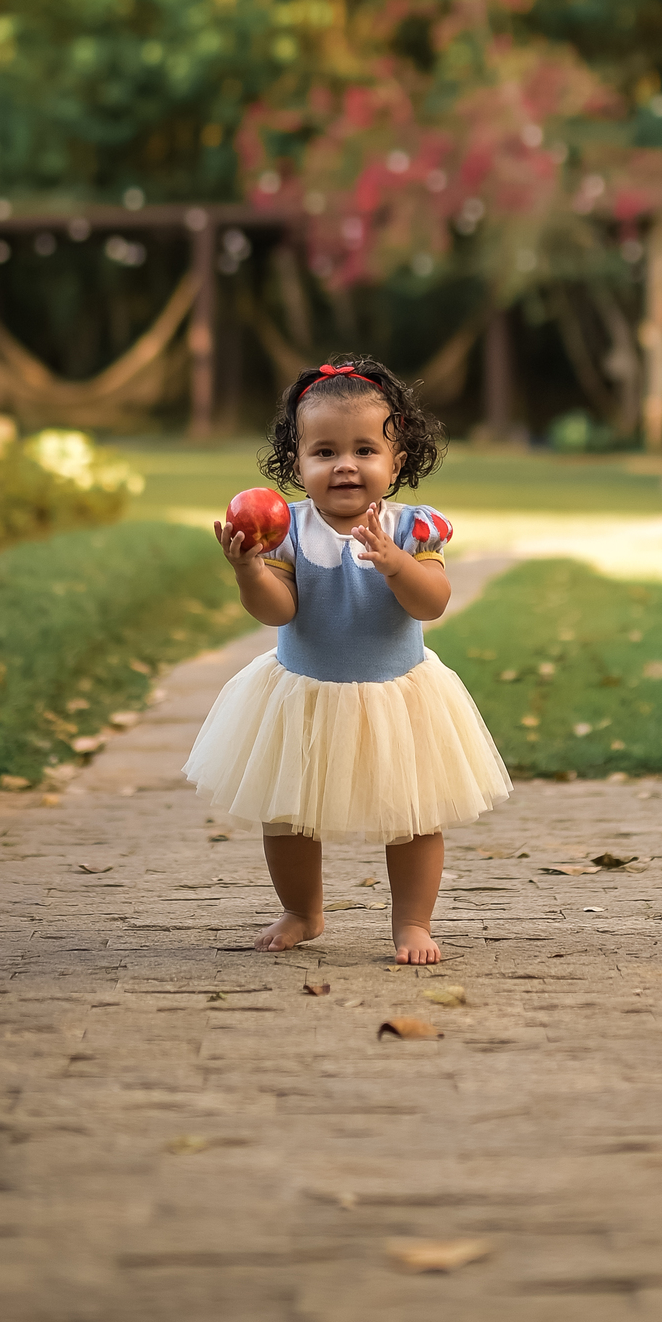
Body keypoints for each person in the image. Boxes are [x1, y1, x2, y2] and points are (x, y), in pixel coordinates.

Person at [182, 357, 511, 964]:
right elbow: (278, 611)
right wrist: (249, 569)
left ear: (397, 463)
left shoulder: (412, 529)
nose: (345, 465)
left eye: (365, 450)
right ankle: (302, 911)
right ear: (297, 463)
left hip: (398, 696)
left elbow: (432, 602)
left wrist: (396, 565)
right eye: (325, 451)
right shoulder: (286, 528)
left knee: (414, 815)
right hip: (303, 693)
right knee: (287, 814)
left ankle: (412, 922)